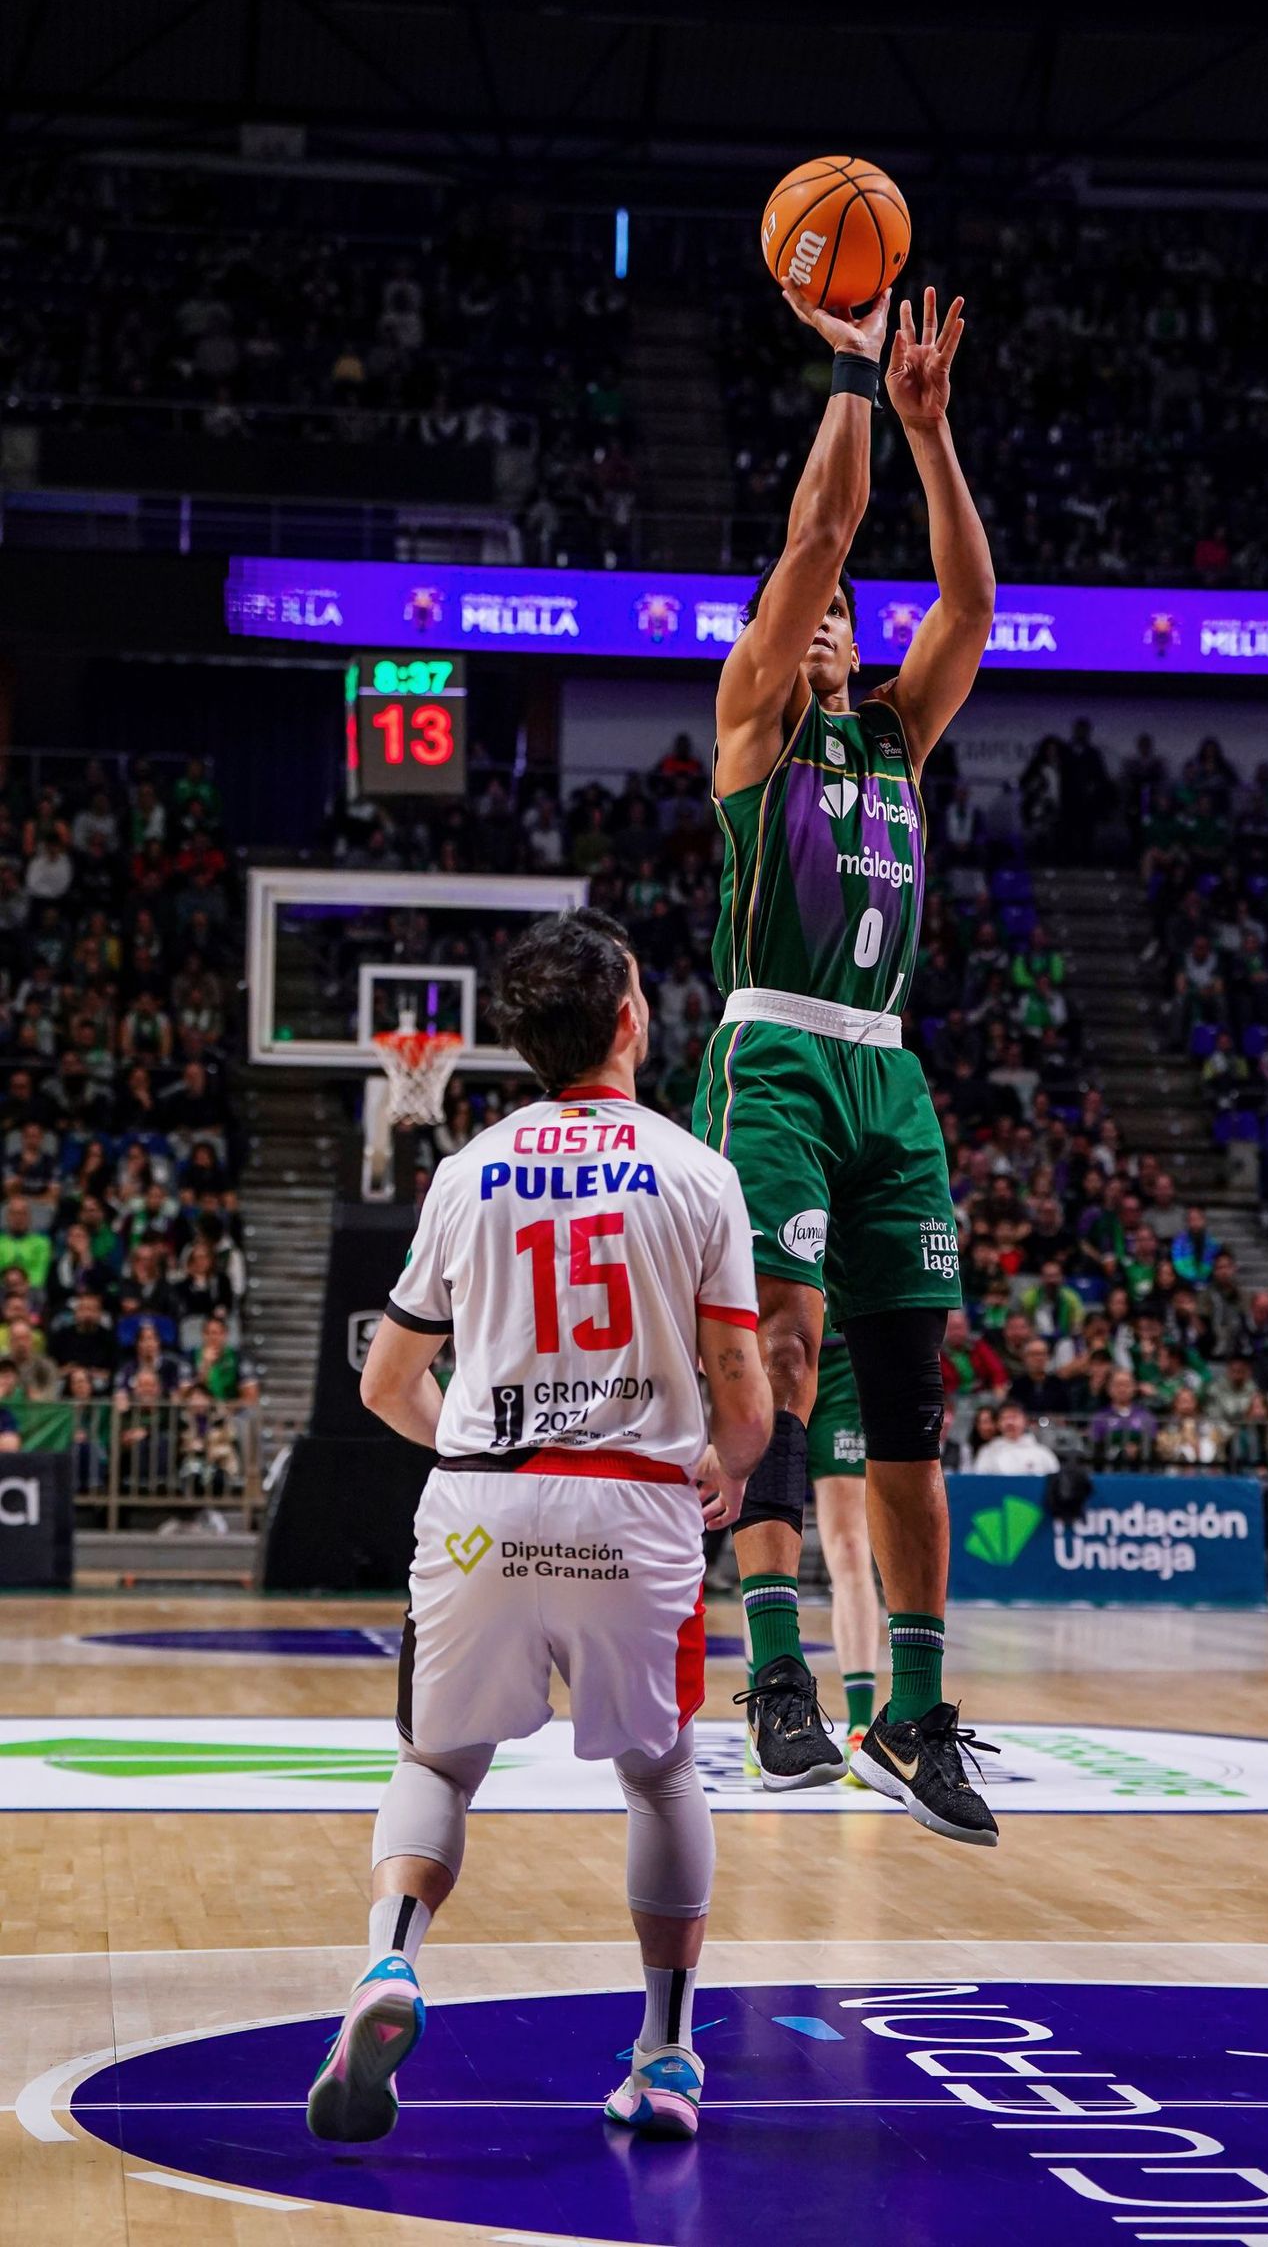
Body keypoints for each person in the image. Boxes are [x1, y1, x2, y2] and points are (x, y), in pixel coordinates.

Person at [306, 911, 772, 2148]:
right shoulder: (698, 1169)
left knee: (435, 1764)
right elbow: (745, 1392)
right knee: (660, 1769)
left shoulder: (465, 1169)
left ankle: (391, 1966)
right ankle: (665, 2056)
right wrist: (726, 1467)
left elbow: (383, 1383)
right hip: (633, 1502)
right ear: (629, 1016)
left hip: (479, 1503)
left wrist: (477, 1450)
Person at [692, 278, 997, 1843]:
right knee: (786, 1357)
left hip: (889, 1074)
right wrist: (855, 370)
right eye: (805, 604)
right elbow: (824, 528)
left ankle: (916, 1708)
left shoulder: (896, 734)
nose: (828, 615)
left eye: (843, 616)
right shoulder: (753, 722)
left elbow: (970, 604)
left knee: (913, 1405)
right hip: (775, 1057)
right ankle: (774, 1676)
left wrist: (936, 441)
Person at [804, 1323, 881, 1780]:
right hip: (763, 1349)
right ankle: (764, 1716)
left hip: (840, 1363)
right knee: (767, 1546)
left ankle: (859, 1721)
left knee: (851, 1546)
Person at [970, 1398, 1060, 1478]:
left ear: (1025, 1420)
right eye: (1004, 1418)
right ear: (998, 1423)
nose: (1009, 1422)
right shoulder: (987, 1453)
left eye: (1014, 1417)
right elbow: (981, 1485)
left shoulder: (1043, 1454)